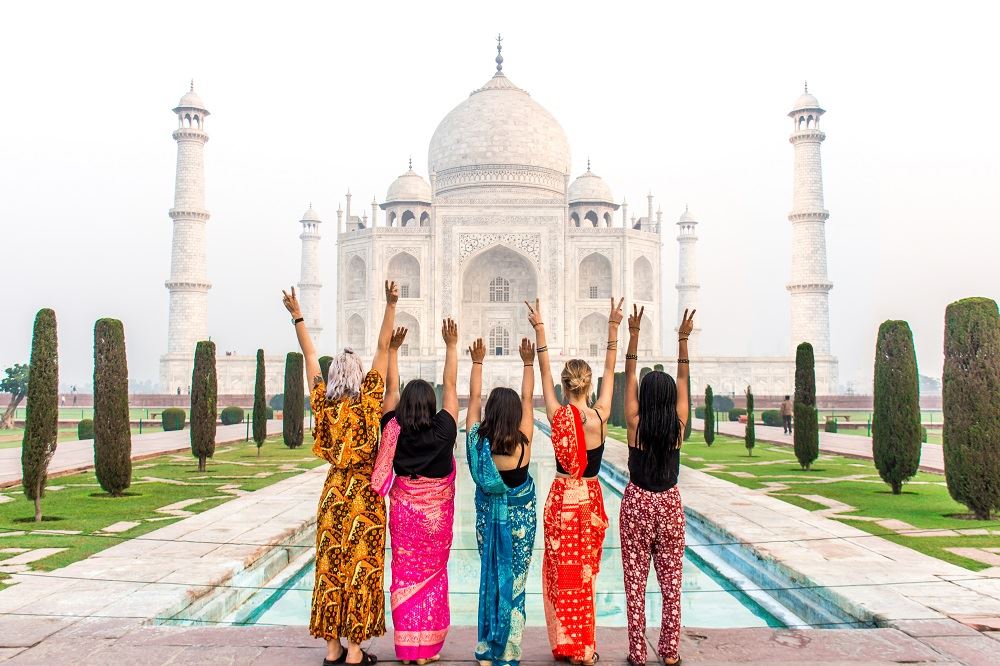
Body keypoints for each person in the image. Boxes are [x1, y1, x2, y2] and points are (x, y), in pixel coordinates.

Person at [283, 280, 399, 666]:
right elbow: (384, 347)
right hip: (365, 496)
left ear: (335, 378)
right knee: (361, 570)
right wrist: (390, 304)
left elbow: (310, 353)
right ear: (360, 376)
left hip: (334, 495)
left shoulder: (324, 404)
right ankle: (353, 650)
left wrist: (298, 316)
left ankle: (331, 647)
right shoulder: (368, 401)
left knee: (331, 566)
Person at [528, 296, 624, 665]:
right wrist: (613, 329)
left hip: (561, 497)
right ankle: (585, 648)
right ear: (588, 386)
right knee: (584, 578)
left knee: (560, 576)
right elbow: (611, 372)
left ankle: (565, 645)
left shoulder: (558, 414)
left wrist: (539, 329)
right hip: (589, 500)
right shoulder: (599, 416)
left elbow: (544, 372)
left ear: (566, 387)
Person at [375, 319, 460, 664]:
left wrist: (393, 352)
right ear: (431, 404)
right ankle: (426, 650)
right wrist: (452, 346)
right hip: (435, 520)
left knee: (404, 575)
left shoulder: (394, 427)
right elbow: (452, 386)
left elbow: (391, 391)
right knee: (433, 577)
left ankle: (408, 648)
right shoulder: (443, 429)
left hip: (405, 515)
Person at [620, 306, 696, 666]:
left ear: (644, 398)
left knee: (635, 583)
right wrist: (683, 341)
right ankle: (668, 652)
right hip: (668, 505)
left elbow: (629, 373)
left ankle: (638, 653)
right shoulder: (678, 427)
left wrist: (632, 335)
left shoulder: (634, 425)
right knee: (671, 584)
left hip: (636, 503)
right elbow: (683, 381)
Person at [466, 336, 538, 666]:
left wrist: (477, 362)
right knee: (515, 586)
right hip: (520, 527)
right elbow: (527, 396)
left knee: (490, 582)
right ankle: (509, 651)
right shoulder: (523, 443)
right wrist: (528, 362)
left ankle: (486, 648)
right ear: (517, 414)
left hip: (488, 526)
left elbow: (474, 400)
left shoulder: (477, 444)